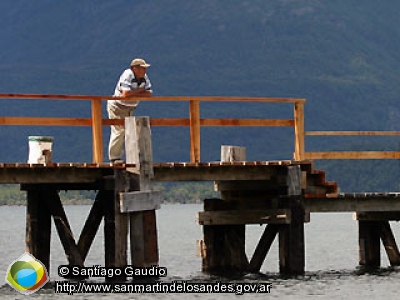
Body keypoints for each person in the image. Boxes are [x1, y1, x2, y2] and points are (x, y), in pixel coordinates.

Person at [107, 58, 152, 163]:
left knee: (129, 131)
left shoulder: (144, 77)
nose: (144, 71)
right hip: (117, 107)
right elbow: (125, 94)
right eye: (142, 68)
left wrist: (134, 93)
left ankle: (131, 158)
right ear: (134, 68)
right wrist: (141, 90)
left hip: (130, 108)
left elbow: (149, 93)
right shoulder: (128, 75)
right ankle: (114, 158)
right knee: (119, 130)